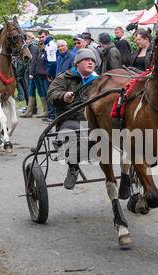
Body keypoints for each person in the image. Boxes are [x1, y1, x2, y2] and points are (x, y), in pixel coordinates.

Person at [47, 48, 99, 189]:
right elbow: (51, 96)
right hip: (69, 118)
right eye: (86, 60)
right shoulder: (65, 77)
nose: (90, 62)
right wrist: (63, 97)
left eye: (93, 60)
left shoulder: (99, 80)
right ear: (77, 63)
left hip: (93, 120)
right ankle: (73, 168)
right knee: (74, 132)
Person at [37, 29, 58, 122]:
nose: (41, 39)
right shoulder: (47, 45)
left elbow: (52, 62)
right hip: (48, 74)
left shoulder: (50, 45)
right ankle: (51, 114)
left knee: (49, 94)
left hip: (50, 75)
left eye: (42, 37)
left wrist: (50, 75)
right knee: (47, 95)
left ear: (47, 35)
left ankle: (52, 115)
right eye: (39, 37)